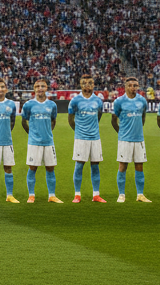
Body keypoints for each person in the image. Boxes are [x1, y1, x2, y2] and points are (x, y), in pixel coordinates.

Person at [111, 76, 151, 203]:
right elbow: (113, 120)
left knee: (139, 166)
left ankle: (140, 195)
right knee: (122, 166)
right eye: (130, 85)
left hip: (139, 139)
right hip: (125, 139)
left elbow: (143, 117)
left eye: (135, 85)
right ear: (125, 87)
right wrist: (121, 132)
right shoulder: (119, 101)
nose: (133, 88)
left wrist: (138, 129)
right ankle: (121, 194)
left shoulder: (142, 101)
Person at [21, 78, 61, 203]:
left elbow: (53, 120)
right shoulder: (28, 105)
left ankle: (52, 196)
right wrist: (32, 133)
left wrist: (48, 132)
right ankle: (31, 195)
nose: (40, 88)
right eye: (37, 86)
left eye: (42, 86)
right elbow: (24, 121)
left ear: (46, 88)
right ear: (34, 89)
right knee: (32, 167)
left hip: (48, 142)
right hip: (34, 142)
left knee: (50, 168)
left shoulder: (52, 105)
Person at [68, 74, 106, 203]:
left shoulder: (98, 101)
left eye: (90, 83)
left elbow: (99, 115)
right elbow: (70, 119)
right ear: (80, 84)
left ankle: (96, 195)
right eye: (84, 83)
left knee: (95, 166)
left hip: (95, 138)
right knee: (79, 166)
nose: (87, 85)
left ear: (93, 85)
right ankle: (77, 194)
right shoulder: (75, 100)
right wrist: (79, 131)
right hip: (81, 138)